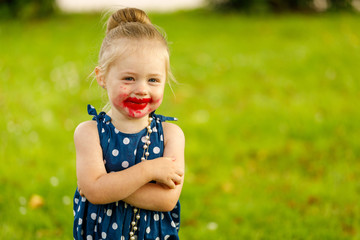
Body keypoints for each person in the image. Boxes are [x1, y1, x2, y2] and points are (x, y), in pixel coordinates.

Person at [73, 8, 185, 240]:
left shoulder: (171, 135)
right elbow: (94, 192)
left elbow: (166, 200)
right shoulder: (90, 133)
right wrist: (149, 170)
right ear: (102, 77)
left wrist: (107, 185)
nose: (142, 89)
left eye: (153, 80)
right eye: (129, 78)